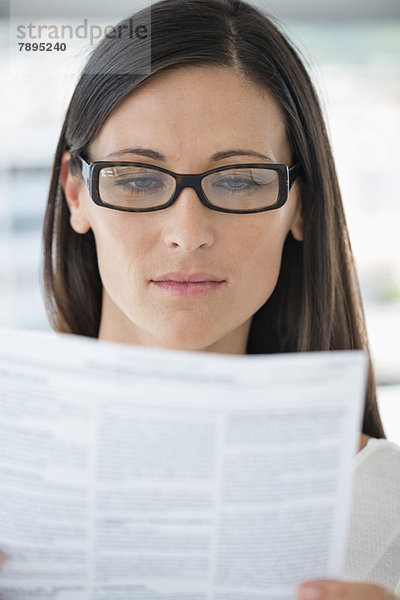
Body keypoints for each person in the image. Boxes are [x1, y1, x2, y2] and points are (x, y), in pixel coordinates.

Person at [35, 0, 399, 597]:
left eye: (238, 181)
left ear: (301, 204)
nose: (187, 231)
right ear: (76, 192)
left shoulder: (389, 512)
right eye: (137, 177)